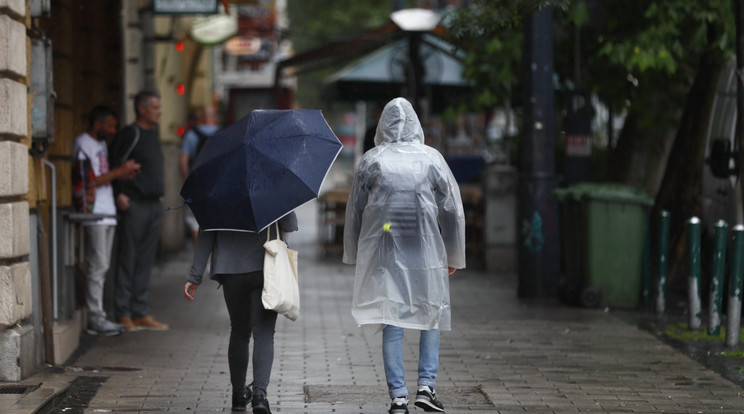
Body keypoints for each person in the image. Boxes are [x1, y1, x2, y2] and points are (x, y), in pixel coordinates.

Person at [343, 97, 466, 414]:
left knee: (391, 318)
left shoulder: (373, 159)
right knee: (432, 313)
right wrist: (454, 253)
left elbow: (355, 211)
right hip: (425, 246)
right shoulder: (431, 159)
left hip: (386, 246)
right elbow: (452, 209)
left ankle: (398, 396)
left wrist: (356, 252)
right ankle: (426, 386)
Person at [183, 213, 298, 414]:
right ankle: (259, 396)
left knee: (239, 331)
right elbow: (289, 224)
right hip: (264, 267)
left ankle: (238, 396)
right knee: (263, 333)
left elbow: (206, 232)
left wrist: (195, 276)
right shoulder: (272, 186)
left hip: (230, 270)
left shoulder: (219, 193)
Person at [73, 105, 141, 336]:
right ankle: (96, 318)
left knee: (102, 266)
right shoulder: (83, 143)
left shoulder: (101, 145)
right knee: (97, 265)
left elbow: (103, 177)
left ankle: (99, 315)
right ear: (97, 123)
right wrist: (119, 171)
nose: (113, 130)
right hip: (94, 212)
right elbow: (88, 182)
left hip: (106, 210)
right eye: (110, 125)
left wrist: (121, 174)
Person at [108, 91, 169, 332]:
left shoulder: (153, 135)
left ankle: (140, 311)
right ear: (142, 109)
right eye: (155, 107)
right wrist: (118, 193)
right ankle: (123, 312)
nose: (160, 111)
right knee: (128, 258)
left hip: (154, 205)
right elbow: (112, 165)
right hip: (134, 205)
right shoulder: (130, 134)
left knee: (145, 260)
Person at [179, 106, 220, 245]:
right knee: (215, 220)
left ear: (202, 118)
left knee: (194, 220)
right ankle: (212, 258)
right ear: (215, 118)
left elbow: (183, 160)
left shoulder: (192, 134)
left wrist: (187, 180)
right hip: (217, 185)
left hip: (197, 183)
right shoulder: (223, 133)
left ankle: (201, 256)